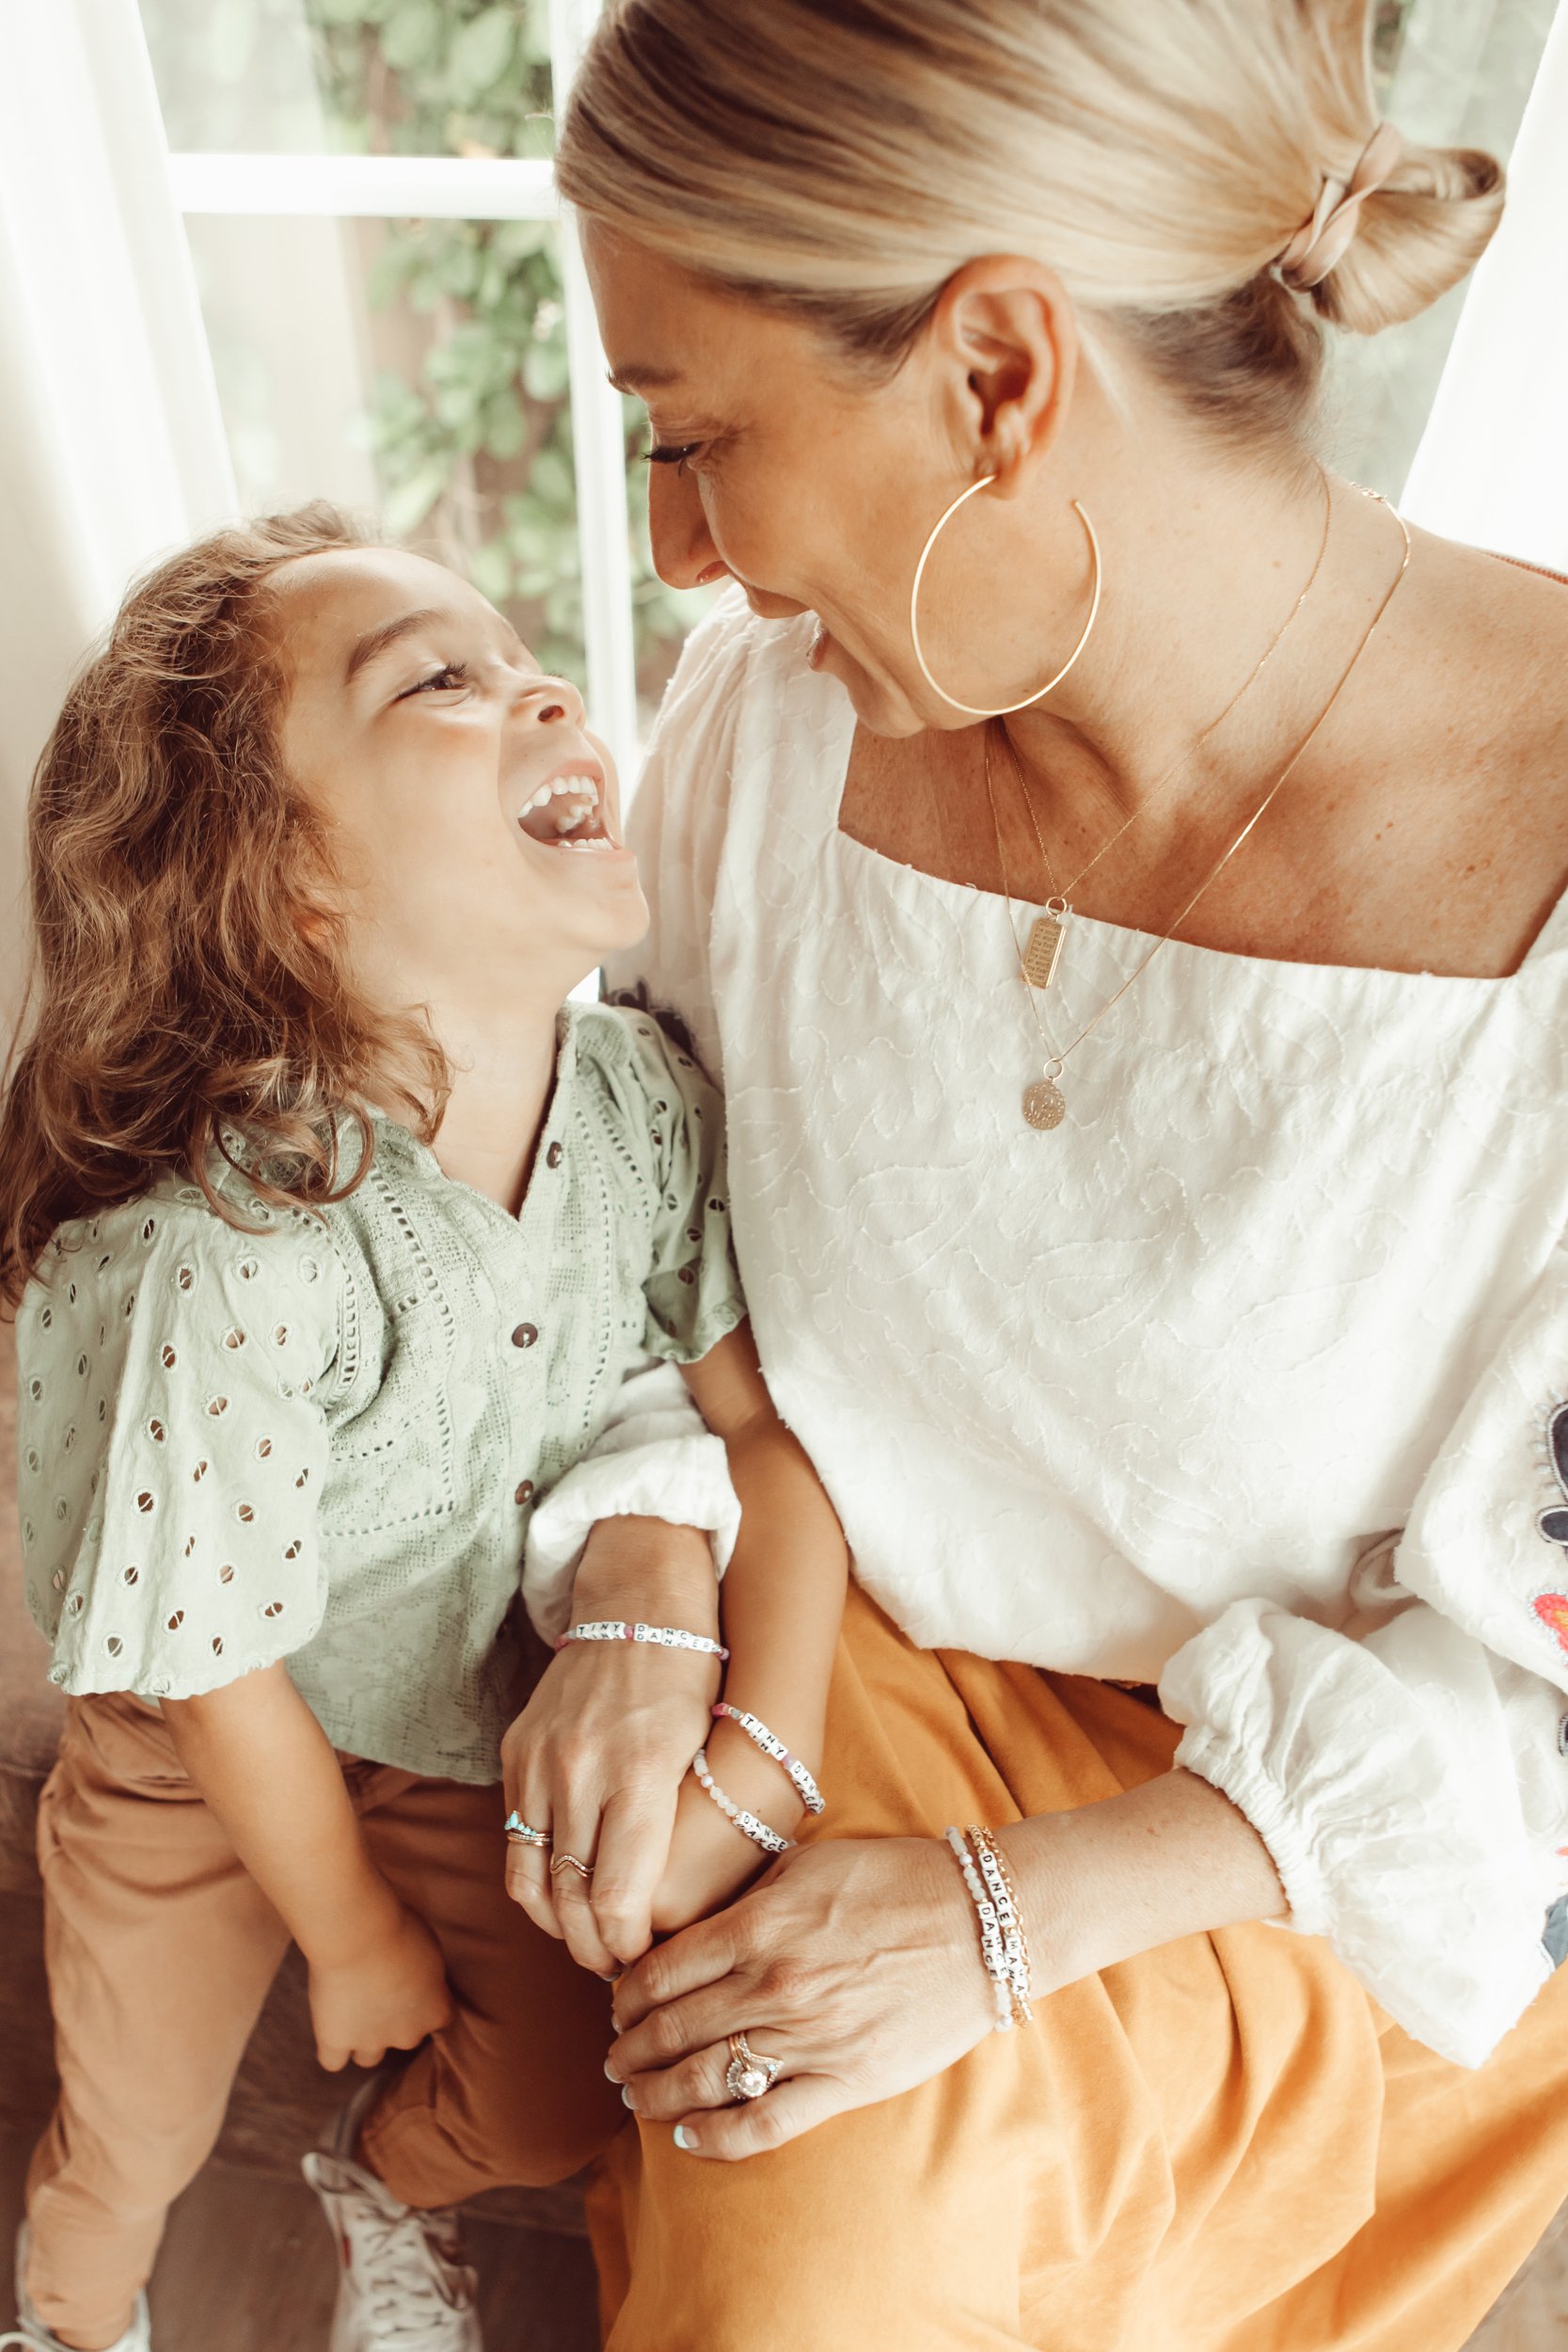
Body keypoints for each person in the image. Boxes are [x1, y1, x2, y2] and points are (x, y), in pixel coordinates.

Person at [545, 1, 1568, 2345]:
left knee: (827, 2227)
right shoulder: (763, 738)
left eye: (701, 440)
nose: (686, 555)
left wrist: (1010, 1913)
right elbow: (630, 1225)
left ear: (1001, 372)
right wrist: (642, 1566)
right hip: (821, 1643)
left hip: (1296, 1838)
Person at [0, 508, 847, 2352]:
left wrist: (755, 1762)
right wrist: (354, 1928)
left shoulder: (636, 1097)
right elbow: (219, 1664)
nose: (539, 680)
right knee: (133, 2118)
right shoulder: (241, 1251)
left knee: (563, 2083)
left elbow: (760, 1435)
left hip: (445, 1704)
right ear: (297, 884)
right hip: (199, 1736)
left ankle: (380, 2173)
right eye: (438, 680)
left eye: (517, 643)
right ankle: (71, 2313)